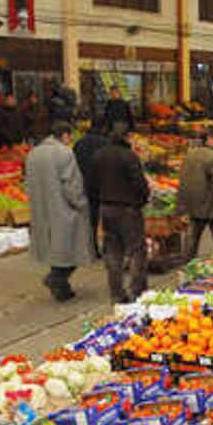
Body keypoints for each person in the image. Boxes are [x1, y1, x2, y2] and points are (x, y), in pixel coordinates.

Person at [26, 122, 93, 302]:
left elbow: (28, 184)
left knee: (55, 250)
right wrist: (81, 203)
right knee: (73, 250)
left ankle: (62, 288)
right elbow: (72, 185)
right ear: (65, 135)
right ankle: (55, 279)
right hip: (63, 209)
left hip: (42, 209)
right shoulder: (65, 153)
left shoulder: (33, 154)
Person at [94, 129, 150, 303]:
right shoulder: (129, 156)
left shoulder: (99, 155)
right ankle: (137, 290)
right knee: (136, 249)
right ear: (127, 137)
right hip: (128, 209)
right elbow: (139, 183)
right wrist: (142, 200)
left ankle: (116, 292)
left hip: (106, 207)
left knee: (112, 250)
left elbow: (92, 182)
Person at [178, 126, 213, 258]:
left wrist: (182, 206)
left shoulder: (189, 155)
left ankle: (187, 264)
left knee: (192, 239)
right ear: (209, 139)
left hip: (192, 204)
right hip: (211, 205)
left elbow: (182, 181)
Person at [73, 119, 110, 256]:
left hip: (84, 183)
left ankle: (91, 246)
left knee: (90, 217)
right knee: (106, 217)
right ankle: (106, 247)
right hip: (103, 184)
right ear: (104, 128)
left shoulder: (79, 143)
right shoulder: (106, 143)